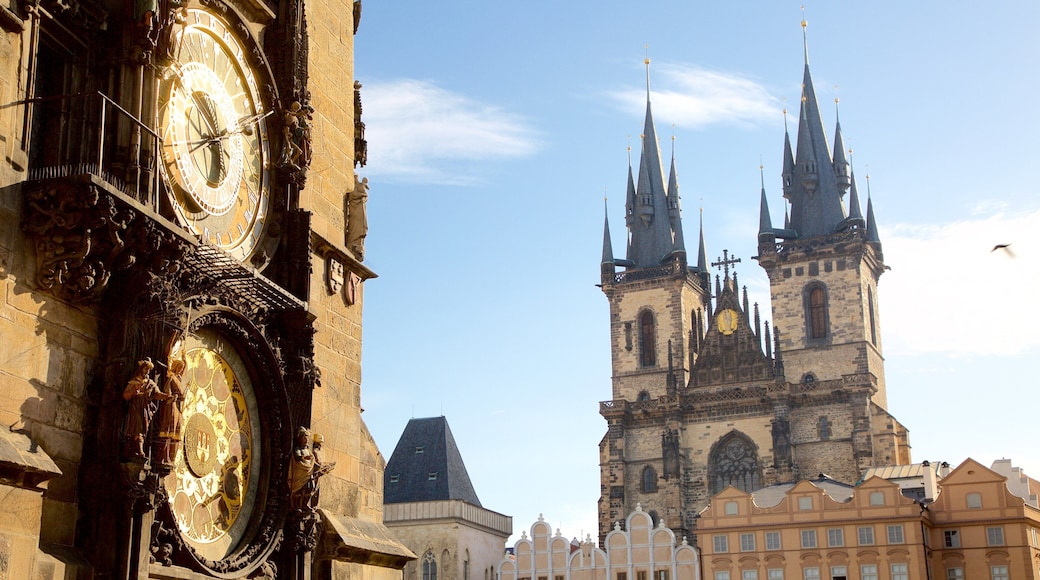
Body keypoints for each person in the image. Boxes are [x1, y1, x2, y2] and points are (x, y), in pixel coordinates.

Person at [123, 358, 166, 459]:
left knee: (143, 428)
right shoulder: (134, 382)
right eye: (146, 369)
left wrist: (167, 397)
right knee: (137, 428)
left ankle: (135, 448)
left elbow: (157, 394)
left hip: (145, 409)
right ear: (141, 369)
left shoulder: (150, 383)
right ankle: (139, 450)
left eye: (149, 370)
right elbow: (125, 396)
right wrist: (134, 390)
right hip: (135, 408)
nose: (147, 371)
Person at [156, 354, 187, 466]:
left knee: (175, 432)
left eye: (182, 368)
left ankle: (171, 457)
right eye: (180, 367)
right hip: (171, 405)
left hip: (177, 407)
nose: (181, 370)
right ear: (175, 366)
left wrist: (184, 359)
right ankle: (163, 457)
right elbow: (166, 390)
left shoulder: (178, 378)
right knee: (168, 430)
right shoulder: (171, 377)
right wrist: (173, 396)